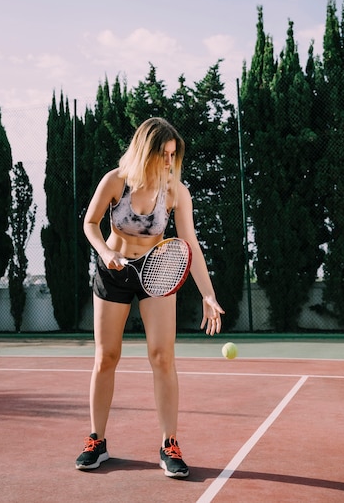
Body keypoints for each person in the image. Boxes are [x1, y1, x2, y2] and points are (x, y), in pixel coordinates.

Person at [75, 117, 225, 478]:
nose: (170, 163)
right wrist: (104, 252)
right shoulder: (115, 181)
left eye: (174, 156)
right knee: (106, 356)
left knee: (162, 357)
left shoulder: (176, 192)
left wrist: (208, 293)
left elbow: (189, 244)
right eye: (164, 155)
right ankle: (97, 440)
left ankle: (168, 443)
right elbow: (90, 223)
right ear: (146, 152)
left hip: (156, 274)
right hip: (113, 274)